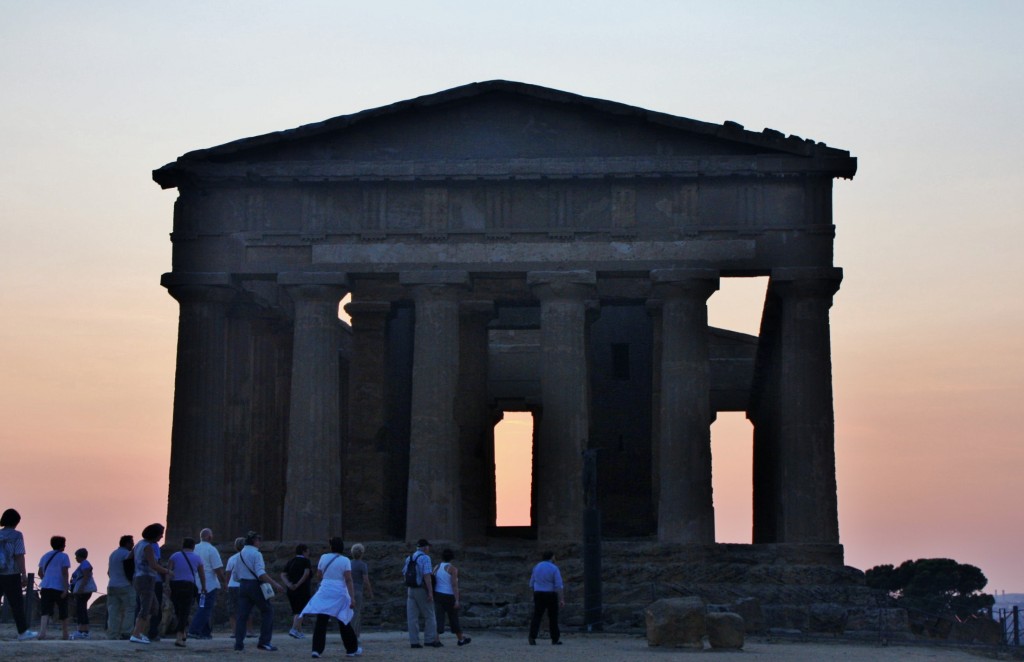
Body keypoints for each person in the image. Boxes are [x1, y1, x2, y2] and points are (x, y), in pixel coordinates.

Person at [300, 537, 360, 658]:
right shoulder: (345, 560)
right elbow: (348, 579)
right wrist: (352, 597)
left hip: (326, 589)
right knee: (343, 619)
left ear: (331, 547)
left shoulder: (324, 557)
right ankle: (351, 649)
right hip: (339, 591)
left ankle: (316, 649)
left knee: (321, 620)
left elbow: (319, 575)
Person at [231, 530, 284, 652]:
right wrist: (275, 584)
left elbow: (235, 576)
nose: (260, 543)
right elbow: (260, 573)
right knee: (268, 611)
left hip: (243, 585)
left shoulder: (239, 555)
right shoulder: (256, 554)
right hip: (255, 585)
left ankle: (238, 644)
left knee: (242, 616)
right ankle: (264, 642)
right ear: (255, 541)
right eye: (259, 540)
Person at [0, 508, 38, 640]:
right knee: (16, 604)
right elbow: (19, 555)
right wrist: (23, 574)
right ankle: (22, 632)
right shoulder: (17, 535)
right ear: (15, 521)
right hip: (11, 574)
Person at [130, 523, 170, 644]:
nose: (161, 537)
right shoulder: (148, 546)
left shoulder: (138, 544)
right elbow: (153, 565)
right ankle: (136, 634)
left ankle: (139, 632)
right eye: (160, 534)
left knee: (154, 607)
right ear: (154, 534)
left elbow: (128, 558)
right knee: (146, 607)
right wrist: (167, 571)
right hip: (145, 578)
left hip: (141, 577)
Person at [168, 537, 206, 648]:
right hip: (188, 585)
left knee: (178, 610)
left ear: (182, 545)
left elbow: (168, 572)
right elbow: (202, 575)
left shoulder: (174, 556)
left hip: (175, 585)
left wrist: (166, 585)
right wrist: (203, 587)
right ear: (193, 547)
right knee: (184, 611)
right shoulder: (197, 558)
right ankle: (180, 636)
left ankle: (181, 633)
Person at [188, 527, 226, 640]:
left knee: (202, 606)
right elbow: (217, 569)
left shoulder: (194, 549)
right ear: (209, 537)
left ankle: (205, 632)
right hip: (209, 584)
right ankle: (194, 630)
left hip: (196, 583)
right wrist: (224, 581)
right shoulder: (212, 550)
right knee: (205, 608)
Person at [403, 538, 441, 648]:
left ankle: (414, 641)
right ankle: (429, 640)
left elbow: (404, 573)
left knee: (412, 617)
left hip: (410, 589)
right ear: (425, 547)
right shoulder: (425, 558)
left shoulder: (409, 558)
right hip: (421, 589)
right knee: (430, 615)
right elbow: (427, 576)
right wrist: (430, 592)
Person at [434, 549, 471, 646]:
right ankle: (460, 639)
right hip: (449, 595)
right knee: (454, 618)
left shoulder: (436, 567)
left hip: (438, 594)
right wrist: (457, 600)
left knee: (438, 617)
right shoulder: (453, 569)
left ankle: (436, 639)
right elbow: (454, 585)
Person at [37, 535, 71, 640]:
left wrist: (46, 579)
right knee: (63, 611)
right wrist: (66, 588)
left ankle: (42, 633)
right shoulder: (64, 556)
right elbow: (65, 573)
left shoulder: (45, 555)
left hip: (46, 586)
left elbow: (40, 572)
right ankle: (65, 634)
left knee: (45, 611)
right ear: (62, 545)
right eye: (64, 544)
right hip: (59, 587)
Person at [528, 551, 564, 645]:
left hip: (538, 593)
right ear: (552, 557)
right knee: (553, 617)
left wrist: (533, 594)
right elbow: (559, 585)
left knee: (537, 616)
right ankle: (555, 638)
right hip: (550, 594)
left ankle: (532, 636)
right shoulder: (554, 568)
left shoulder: (536, 567)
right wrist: (561, 599)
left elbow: (532, 583)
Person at [106, 535, 135, 640]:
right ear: (127, 543)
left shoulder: (113, 554)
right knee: (130, 609)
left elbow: (109, 572)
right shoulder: (127, 554)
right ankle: (126, 632)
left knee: (113, 610)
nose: (133, 545)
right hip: (125, 585)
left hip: (112, 584)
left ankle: (112, 634)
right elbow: (130, 570)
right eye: (132, 543)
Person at [281, 543, 312, 639]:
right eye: (307, 551)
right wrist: (298, 584)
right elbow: (306, 574)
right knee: (301, 610)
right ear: (304, 551)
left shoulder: (291, 561)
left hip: (291, 590)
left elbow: (283, 574)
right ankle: (294, 629)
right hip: (302, 589)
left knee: (296, 611)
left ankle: (299, 631)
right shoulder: (306, 561)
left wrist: (289, 584)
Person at [69, 548, 97, 639]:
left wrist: (81, 588)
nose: (75, 558)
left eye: (76, 556)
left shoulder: (85, 564)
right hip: (83, 590)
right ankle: (83, 630)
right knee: (82, 609)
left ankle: (82, 630)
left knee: (81, 609)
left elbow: (86, 576)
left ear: (80, 556)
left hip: (83, 591)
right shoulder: (84, 564)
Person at [349, 543, 374, 637]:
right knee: (356, 612)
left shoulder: (349, 563)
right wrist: (370, 592)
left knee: (351, 612)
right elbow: (366, 580)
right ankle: (352, 633)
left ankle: (355, 633)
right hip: (358, 590)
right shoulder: (362, 565)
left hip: (348, 590)